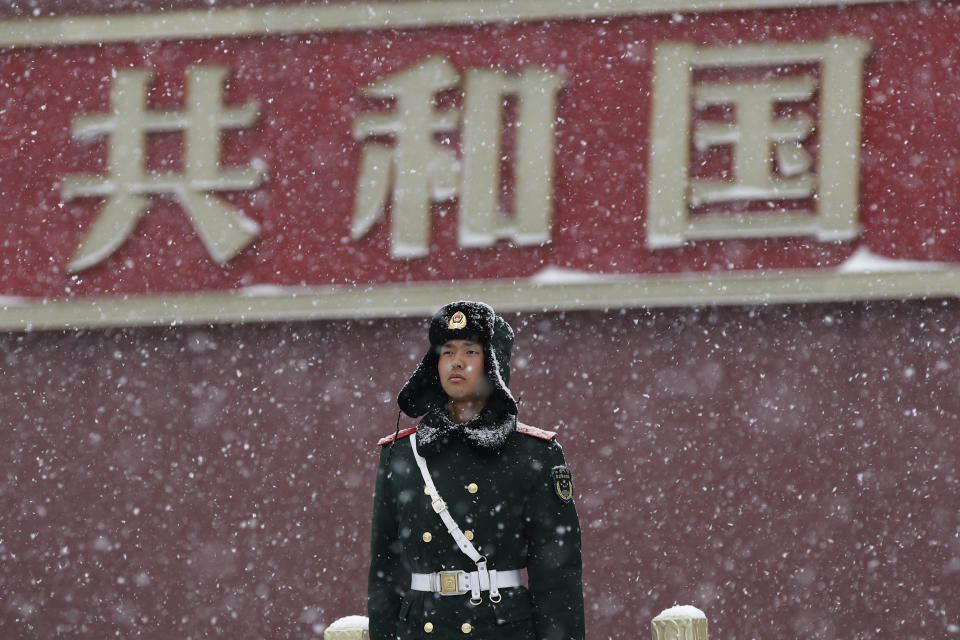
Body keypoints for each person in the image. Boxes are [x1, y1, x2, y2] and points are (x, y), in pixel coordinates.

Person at [367, 301, 584, 640]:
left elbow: (556, 579)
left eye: (471, 351)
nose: (456, 361)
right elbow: (385, 570)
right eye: (447, 351)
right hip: (422, 629)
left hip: (499, 629)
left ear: (493, 363)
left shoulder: (534, 454)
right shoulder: (401, 453)